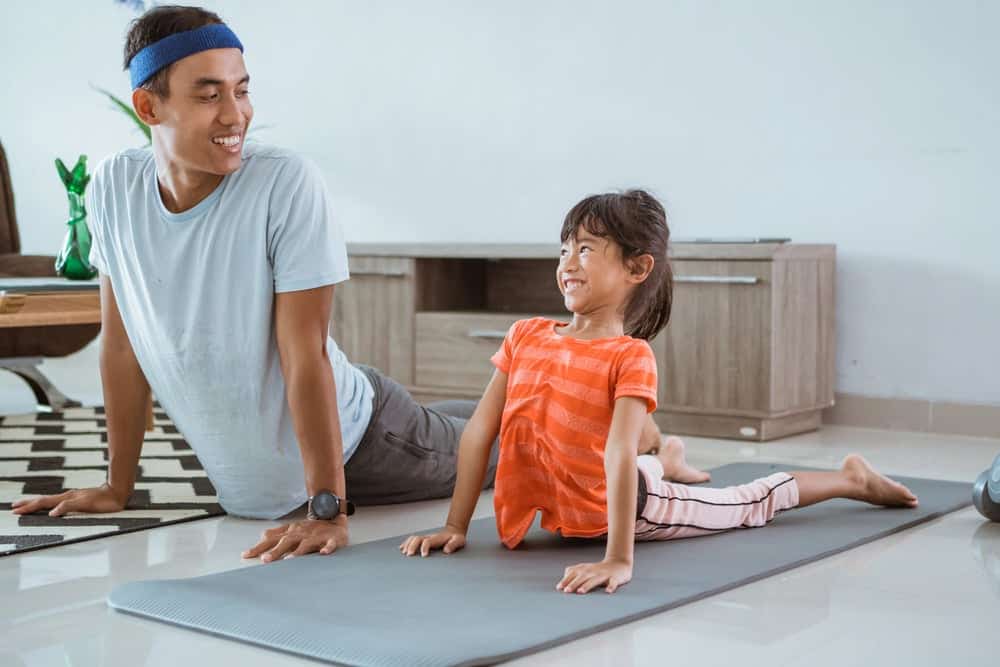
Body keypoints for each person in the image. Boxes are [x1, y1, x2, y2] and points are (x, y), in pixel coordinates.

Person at [9, 6, 684, 563]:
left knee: (518, 445)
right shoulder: (113, 188)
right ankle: (539, 402)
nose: (235, 114)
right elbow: (121, 346)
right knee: (463, 419)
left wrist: (327, 506)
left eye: (242, 90)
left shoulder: (283, 182)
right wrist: (116, 485)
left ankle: (648, 437)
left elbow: (302, 352)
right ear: (147, 106)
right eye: (209, 94)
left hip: (365, 442)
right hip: (324, 431)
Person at [400, 189, 919, 594]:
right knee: (635, 460)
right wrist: (455, 524)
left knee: (746, 503)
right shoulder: (525, 336)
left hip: (636, 509)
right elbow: (479, 432)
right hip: (586, 493)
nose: (568, 263)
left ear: (637, 268)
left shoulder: (630, 356)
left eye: (586, 249)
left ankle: (849, 479)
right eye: (564, 249)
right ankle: (667, 457)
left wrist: (618, 559)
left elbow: (618, 453)